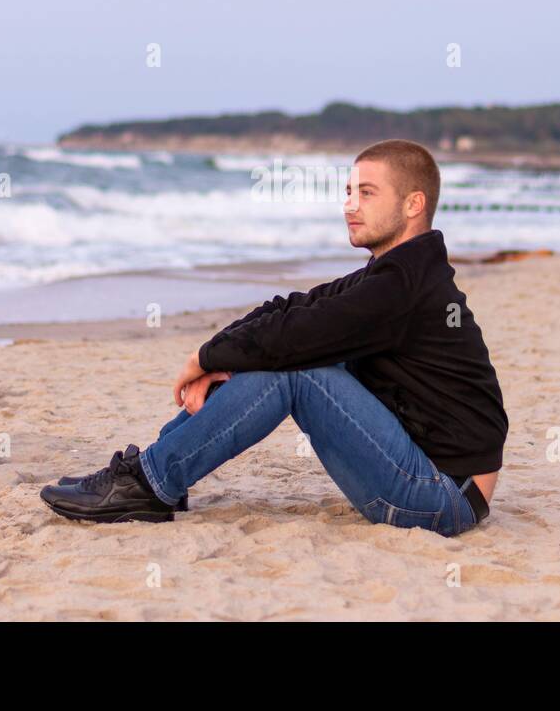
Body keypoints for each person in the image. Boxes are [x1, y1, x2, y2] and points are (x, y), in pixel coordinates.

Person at [40, 139, 509, 537]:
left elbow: (294, 336)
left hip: (441, 497)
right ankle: (154, 475)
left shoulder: (402, 288)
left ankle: (150, 483)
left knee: (297, 368)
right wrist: (211, 357)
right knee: (284, 347)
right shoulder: (398, 274)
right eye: (348, 191)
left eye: (366, 193)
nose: (349, 205)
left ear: (413, 204)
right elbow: (291, 308)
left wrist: (205, 358)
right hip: (422, 471)